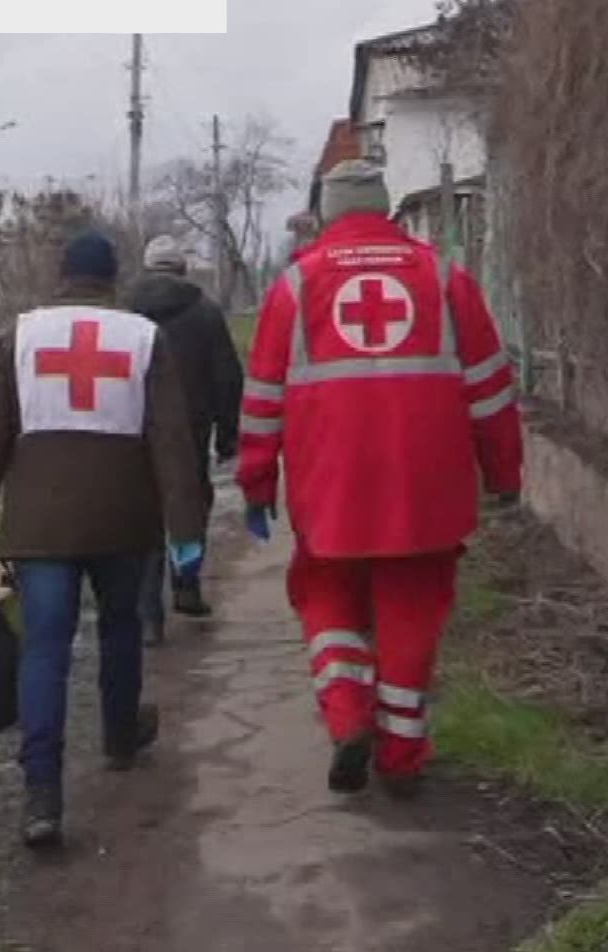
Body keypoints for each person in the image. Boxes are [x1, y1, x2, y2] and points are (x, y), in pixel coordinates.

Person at [237, 159, 523, 797]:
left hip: (330, 485)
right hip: (426, 487)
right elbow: (490, 390)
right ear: (385, 206)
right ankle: (401, 754)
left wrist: (256, 482)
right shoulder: (445, 277)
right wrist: (504, 473)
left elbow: (262, 398)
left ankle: (347, 717)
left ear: (327, 212)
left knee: (326, 592)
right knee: (412, 606)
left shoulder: (296, 285)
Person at [0, 231, 207, 847]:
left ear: (61, 276)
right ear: (112, 279)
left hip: (40, 525)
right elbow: (171, 441)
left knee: (45, 648)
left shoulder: (20, 337)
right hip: (123, 519)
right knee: (120, 627)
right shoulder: (144, 337)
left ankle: (41, 794)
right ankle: (119, 735)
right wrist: (185, 533)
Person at [125, 234, 245, 644]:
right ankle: (186, 585)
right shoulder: (205, 312)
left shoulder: (125, 313)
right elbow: (227, 377)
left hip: (134, 426)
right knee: (190, 501)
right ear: (182, 269)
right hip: (190, 427)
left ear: (147, 269)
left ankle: (147, 614)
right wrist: (228, 435)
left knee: (143, 512)